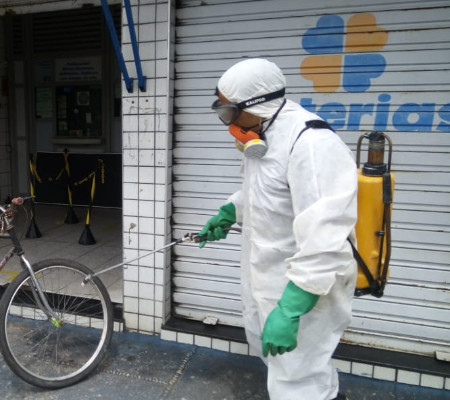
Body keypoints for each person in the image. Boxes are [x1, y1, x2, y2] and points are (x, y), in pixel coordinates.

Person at [198, 58, 357, 400]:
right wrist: (230, 211)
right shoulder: (262, 134)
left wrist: (291, 308)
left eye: (230, 112)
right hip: (269, 277)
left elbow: (327, 233)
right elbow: (264, 191)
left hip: (305, 288)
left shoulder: (312, 144)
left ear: (259, 104)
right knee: (283, 369)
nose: (228, 122)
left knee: (300, 380)